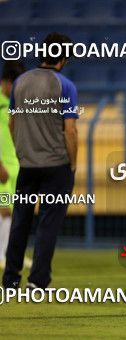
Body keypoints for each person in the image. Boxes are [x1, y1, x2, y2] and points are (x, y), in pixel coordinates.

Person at [2, 32, 78, 289]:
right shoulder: (65, 85)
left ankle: (10, 278)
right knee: (48, 224)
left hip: (27, 165)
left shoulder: (20, 82)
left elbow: (13, 123)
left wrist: (23, 152)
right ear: (65, 58)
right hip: (56, 165)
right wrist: (74, 163)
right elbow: (70, 130)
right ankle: (38, 280)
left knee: (20, 222)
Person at [0, 60, 29, 270]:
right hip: (2, 165)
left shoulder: (21, 103)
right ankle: (2, 255)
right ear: (5, 83)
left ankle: (11, 254)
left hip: (18, 165)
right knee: (4, 210)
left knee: (15, 211)